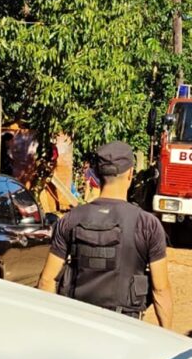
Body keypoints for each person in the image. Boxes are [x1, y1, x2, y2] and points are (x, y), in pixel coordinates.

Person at [37, 141, 173, 329]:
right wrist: (167, 334)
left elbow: (46, 280)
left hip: (76, 323)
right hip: (123, 327)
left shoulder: (70, 219)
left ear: (98, 175)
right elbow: (160, 289)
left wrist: (48, 328)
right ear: (130, 174)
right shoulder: (147, 224)